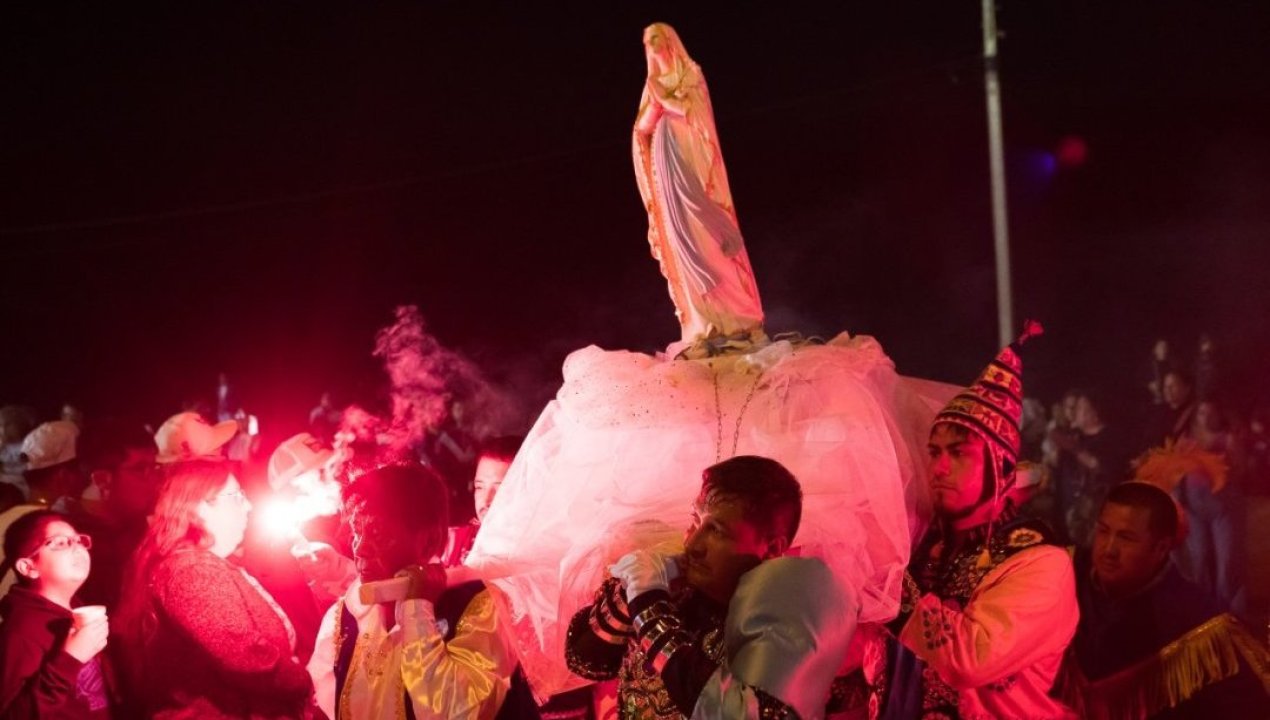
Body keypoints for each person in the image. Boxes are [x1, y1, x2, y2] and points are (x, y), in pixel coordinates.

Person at [882, 322, 1080, 720]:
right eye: (934, 451)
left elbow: (969, 659)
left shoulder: (1040, 562)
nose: (938, 467)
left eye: (958, 453)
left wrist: (885, 580)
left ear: (1000, 464)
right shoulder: (927, 543)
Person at [565, 455, 856, 719]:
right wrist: (629, 591)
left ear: (772, 549)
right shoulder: (676, 591)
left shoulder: (776, 626)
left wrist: (647, 602)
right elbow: (584, 660)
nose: (692, 543)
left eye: (716, 531)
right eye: (695, 521)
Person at [307, 463, 525, 719]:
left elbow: (456, 712)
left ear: (429, 541)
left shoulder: (478, 606)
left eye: (378, 534)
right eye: (357, 532)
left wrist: (417, 610)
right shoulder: (345, 614)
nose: (360, 548)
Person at [114, 460, 318, 719]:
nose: (249, 506)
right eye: (236, 496)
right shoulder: (193, 570)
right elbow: (247, 658)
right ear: (200, 507)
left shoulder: (203, 563)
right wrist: (304, 681)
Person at [1060, 482, 1270, 718]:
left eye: (1126, 538)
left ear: (1160, 548)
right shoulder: (1062, 575)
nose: (1109, 549)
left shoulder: (1199, 624)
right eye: (1103, 531)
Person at [632, 22, 764, 348]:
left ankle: (739, 315)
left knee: (707, 237)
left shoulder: (690, 74)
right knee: (680, 241)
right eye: (647, 41)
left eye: (657, 37)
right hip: (665, 170)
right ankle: (702, 324)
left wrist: (661, 97)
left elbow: (689, 112)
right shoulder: (651, 84)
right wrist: (659, 100)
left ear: (670, 40)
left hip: (691, 164)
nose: (652, 44)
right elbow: (643, 128)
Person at [0, 510, 112, 718]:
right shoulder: (20, 632)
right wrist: (70, 658)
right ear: (28, 567)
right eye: (60, 543)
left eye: (78, 540)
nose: (77, 548)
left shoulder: (76, 609)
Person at [442, 435, 522, 568]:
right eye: (479, 487)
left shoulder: (538, 552)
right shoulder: (452, 542)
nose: (485, 500)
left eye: (499, 489)